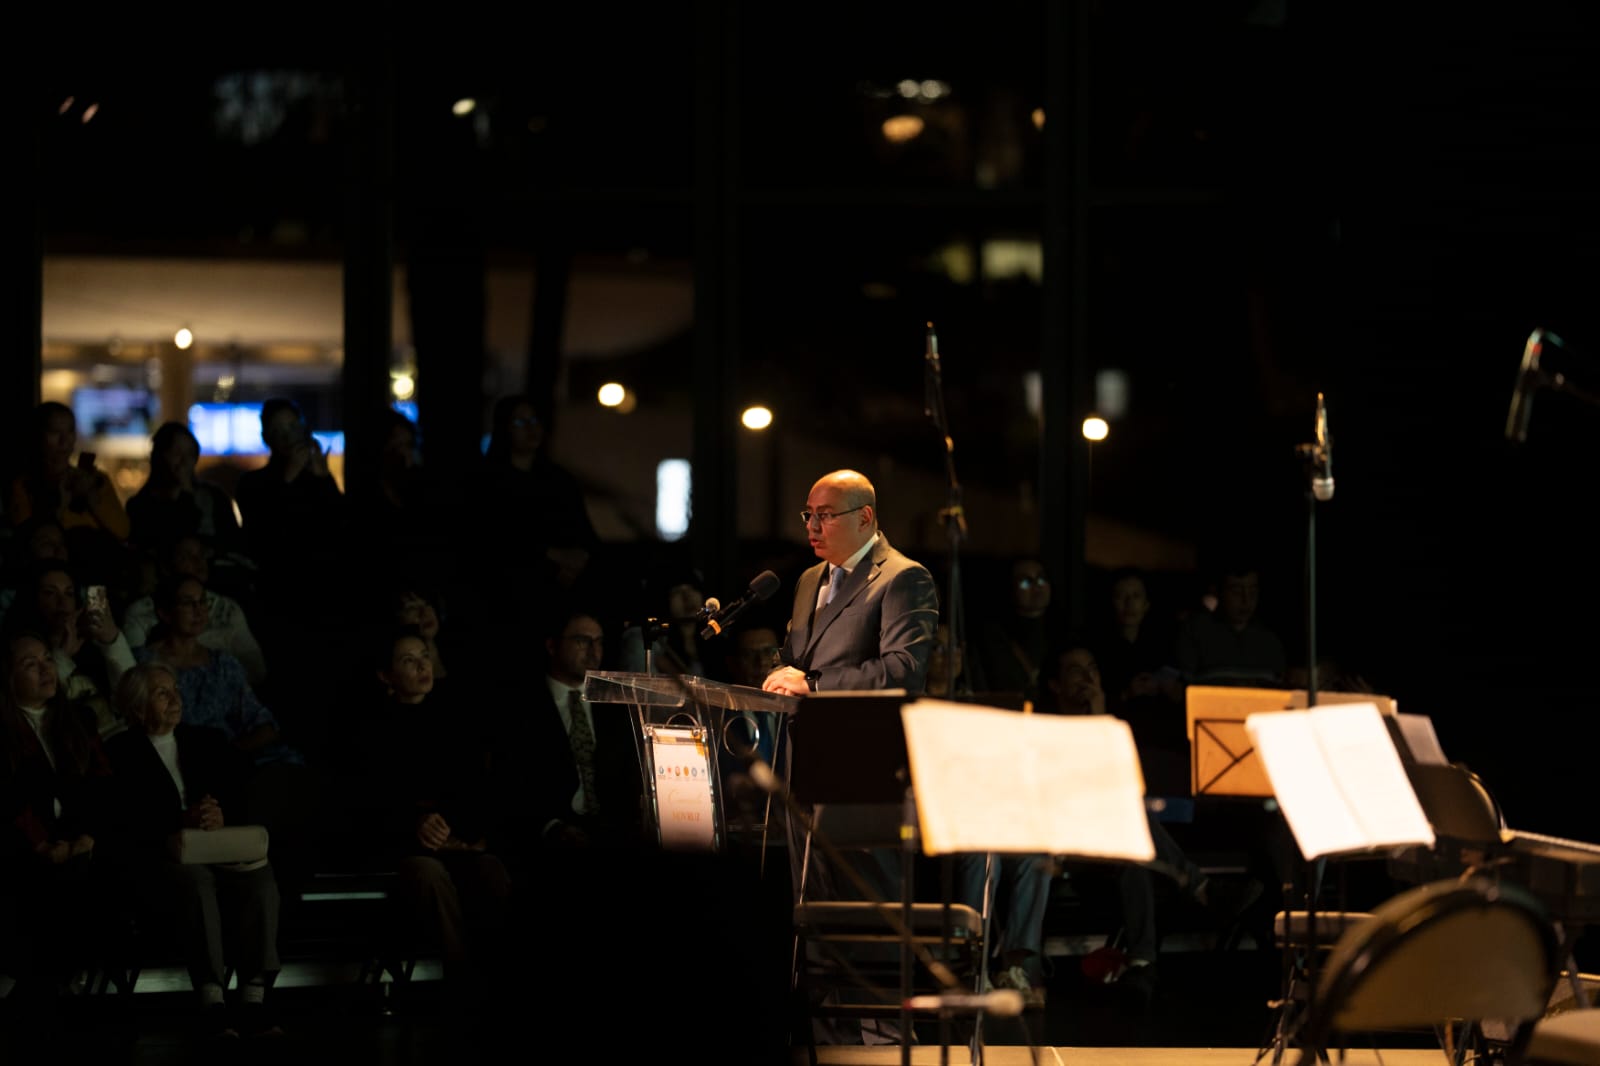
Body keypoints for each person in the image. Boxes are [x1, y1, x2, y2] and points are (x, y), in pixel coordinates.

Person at [761, 469, 939, 1045]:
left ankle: (889, 1037)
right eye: (808, 514)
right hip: (802, 767)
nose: (813, 525)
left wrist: (813, 682)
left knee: (868, 911)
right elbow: (798, 661)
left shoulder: (905, 577)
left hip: (863, 773)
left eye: (825, 514)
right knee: (814, 913)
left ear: (864, 516)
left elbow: (903, 671)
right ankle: (830, 1042)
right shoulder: (811, 578)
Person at [105, 662, 281, 1039]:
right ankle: (211, 996)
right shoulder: (118, 753)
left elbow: (239, 795)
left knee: (260, 877)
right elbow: (120, 820)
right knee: (195, 879)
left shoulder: (208, 741)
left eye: (175, 689)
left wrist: (220, 814)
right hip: (163, 856)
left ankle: (255, 994)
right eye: (161, 692)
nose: (175, 699)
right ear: (137, 708)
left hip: (217, 845)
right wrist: (174, 823)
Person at [336, 624, 512, 1002]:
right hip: (398, 846)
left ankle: (504, 978)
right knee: (430, 874)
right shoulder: (367, 729)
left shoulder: (455, 719)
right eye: (408, 660)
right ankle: (462, 983)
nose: (421, 666)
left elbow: (476, 787)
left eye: (425, 656)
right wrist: (414, 825)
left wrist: (461, 831)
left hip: (453, 839)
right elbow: (365, 801)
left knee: (491, 869)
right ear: (386, 675)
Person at [0, 630, 120, 1003]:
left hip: (79, 837)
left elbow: (102, 785)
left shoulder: (78, 719)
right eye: (29, 664)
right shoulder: (3, 727)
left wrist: (87, 836)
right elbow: (6, 797)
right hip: (23, 840)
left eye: (47, 659)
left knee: (94, 872)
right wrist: (41, 843)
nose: (44, 669)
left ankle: (72, 977)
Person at [120, 534, 268, 690]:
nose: (199, 562)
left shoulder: (227, 609)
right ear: (166, 566)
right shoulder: (141, 613)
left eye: (201, 554)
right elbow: (134, 680)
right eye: (187, 556)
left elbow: (256, 671)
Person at [124, 421, 245, 564]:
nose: (184, 461)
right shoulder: (140, 506)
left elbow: (233, 543)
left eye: (190, 454)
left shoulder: (214, 497)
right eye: (176, 453)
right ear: (158, 456)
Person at [1174, 555, 1288, 688]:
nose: (1246, 601)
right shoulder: (1196, 631)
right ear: (1218, 592)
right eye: (1236, 592)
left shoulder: (1269, 639)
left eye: (1252, 592)